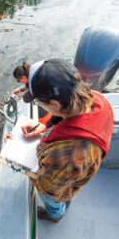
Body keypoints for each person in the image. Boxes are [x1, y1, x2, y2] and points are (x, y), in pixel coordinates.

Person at [7, 59, 114, 223]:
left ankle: (55, 215)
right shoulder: (98, 100)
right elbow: (66, 121)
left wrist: (17, 163)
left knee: (54, 201)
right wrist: (43, 127)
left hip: (60, 182)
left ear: (54, 104)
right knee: (67, 188)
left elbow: (47, 187)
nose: (37, 103)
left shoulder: (68, 156)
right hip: (74, 174)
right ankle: (66, 200)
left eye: (38, 102)